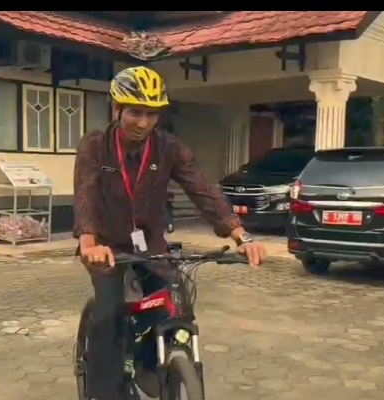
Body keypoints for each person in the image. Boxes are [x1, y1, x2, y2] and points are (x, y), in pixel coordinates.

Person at [73, 66, 267, 400]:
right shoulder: (95, 146)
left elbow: (202, 188)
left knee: (175, 303)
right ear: (116, 108)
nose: (143, 122)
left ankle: (151, 364)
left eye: (152, 114)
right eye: (135, 112)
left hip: (151, 244)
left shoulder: (169, 148)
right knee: (109, 315)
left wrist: (241, 235)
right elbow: (85, 193)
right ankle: (103, 391)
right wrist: (89, 242)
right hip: (106, 248)